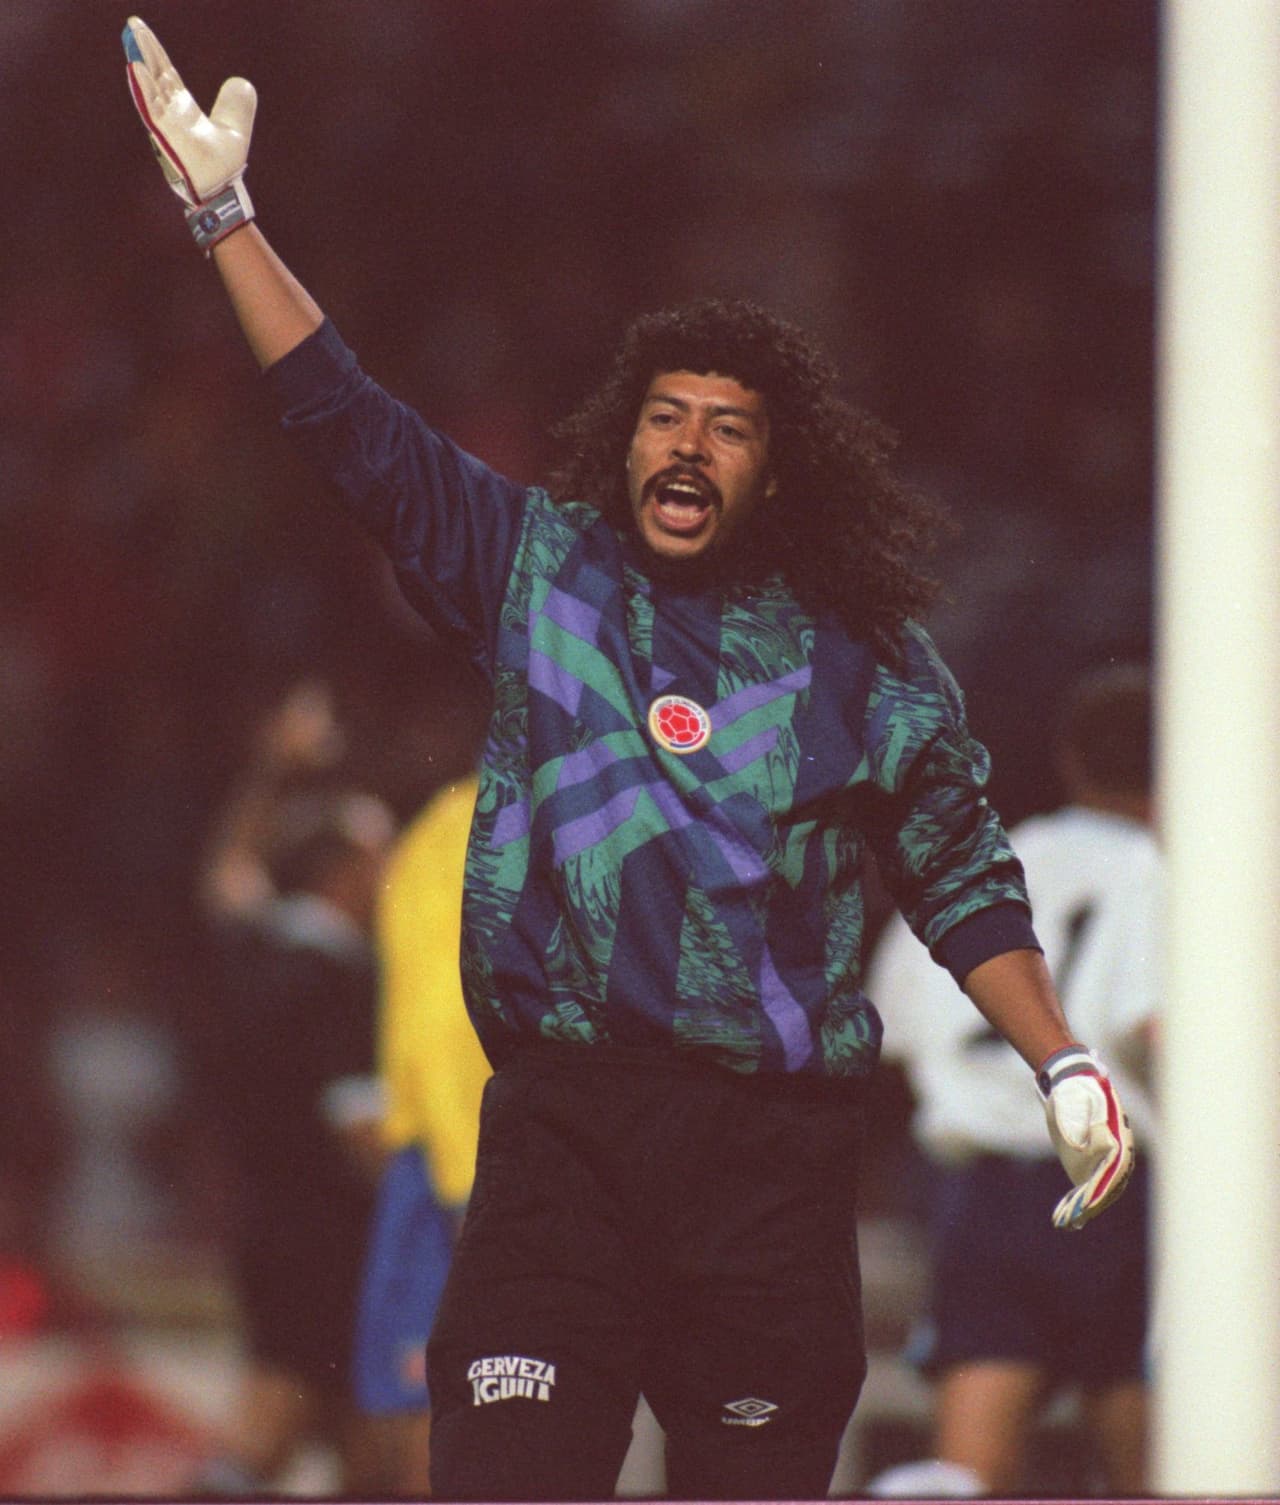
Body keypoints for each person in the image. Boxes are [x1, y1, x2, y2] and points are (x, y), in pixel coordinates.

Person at [122, 22, 1136, 1499]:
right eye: (667, 415)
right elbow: (352, 429)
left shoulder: (864, 657)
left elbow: (960, 877)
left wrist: (1065, 1058)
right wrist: (228, 220)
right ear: (626, 435)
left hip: (769, 1175)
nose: (689, 445)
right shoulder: (540, 571)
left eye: (728, 429)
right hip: (561, 1152)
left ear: (774, 470)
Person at [863, 662, 1159, 1498]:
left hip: (983, 1194)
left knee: (973, 1474)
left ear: (1071, 759)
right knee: (1159, 1473)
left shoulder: (990, 862)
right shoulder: (1165, 871)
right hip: (1117, 1187)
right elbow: (1157, 1024)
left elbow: (894, 1030)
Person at [190, 680, 395, 1495]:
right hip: (331, 1241)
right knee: (274, 1424)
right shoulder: (342, 982)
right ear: (344, 873)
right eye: (383, 857)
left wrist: (270, 774)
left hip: (266, 1225)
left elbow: (227, 870)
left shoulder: (257, 949)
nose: (395, 875)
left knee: (365, 1443)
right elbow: (359, 1136)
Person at [353, 772, 492, 1494]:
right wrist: (465, 1172)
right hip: (463, 1158)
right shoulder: (482, 821)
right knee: (439, 1413)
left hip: (443, 1152)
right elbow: (443, 1013)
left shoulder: (431, 825)